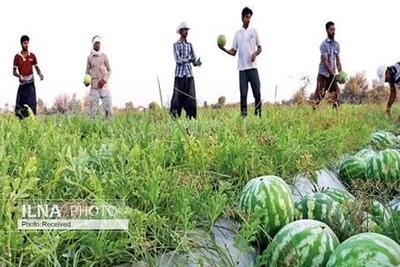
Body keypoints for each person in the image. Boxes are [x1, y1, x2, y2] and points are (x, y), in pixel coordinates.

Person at [219, 7, 262, 117]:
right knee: (243, 95)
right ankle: (244, 118)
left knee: (257, 93)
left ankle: (258, 116)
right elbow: (233, 52)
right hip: (242, 69)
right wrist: (223, 49)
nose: (249, 19)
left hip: (253, 68)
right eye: (247, 17)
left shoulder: (254, 31)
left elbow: (260, 48)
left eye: (250, 17)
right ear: (242, 18)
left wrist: (255, 54)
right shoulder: (237, 34)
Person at [170, 22, 202, 119]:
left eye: (187, 30)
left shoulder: (190, 45)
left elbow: (194, 60)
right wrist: (189, 60)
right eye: (184, 30)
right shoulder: (176, 45)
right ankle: (174, 120)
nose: (186, 31)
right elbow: (178, 60)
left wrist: (197, 63)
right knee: (176, 100)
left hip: (189, 75)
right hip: (179, 76)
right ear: (180, 32)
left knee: (191, 100)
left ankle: (191, 120)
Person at [13, 35, 44, 119]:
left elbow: (37, 68)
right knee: (20, 108)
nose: (26, 45)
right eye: (24, 43)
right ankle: (21, 125)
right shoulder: (17, 57)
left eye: (27, 43)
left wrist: (40, 74)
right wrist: (19, 75)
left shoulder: (32, 56)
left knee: (31, 105)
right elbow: (14, 72)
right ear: (21, 44)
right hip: (23, 84)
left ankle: (31, 124)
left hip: (30, 84)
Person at [313, 21, 342, 108]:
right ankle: (312, 116)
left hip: (332, 75)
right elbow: (325, 62)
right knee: (319, 97)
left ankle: (337, 117)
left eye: (334, 29)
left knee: (337, 95)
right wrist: (334, 75)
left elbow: (338, 61)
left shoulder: (337, 45)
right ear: (327, 30)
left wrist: (341, 73)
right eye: (331, 29)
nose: (333, 31)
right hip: (323, 75)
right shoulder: (323, 45)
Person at [85, 35, 112, 118]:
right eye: (96, 43)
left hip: (103, 86)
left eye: (99, 43)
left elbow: (109, 70)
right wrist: (86, 81)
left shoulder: (104, 56)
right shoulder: (89, 58)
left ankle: (109, 126)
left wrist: (104, 80)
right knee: (93, 110)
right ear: (93, 44)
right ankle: (92, 127)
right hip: (94, 87)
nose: (98, 45)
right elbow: (87, 72)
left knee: (108, 108)